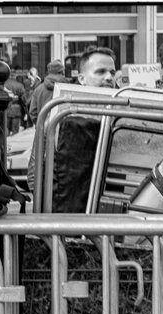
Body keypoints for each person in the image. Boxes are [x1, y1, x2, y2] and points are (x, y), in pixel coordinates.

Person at [34, 46, 118, 213]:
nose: (109, 77)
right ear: (81, 78)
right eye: (100, 71)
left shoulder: (123, 111)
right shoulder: (58, 112)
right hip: (69, 211)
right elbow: (36, 166)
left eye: (113, 72)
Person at [26, 59, 66, 124]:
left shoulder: (38, 89)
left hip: (43, 130)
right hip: (63, 130)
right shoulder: (68, 88)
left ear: (49, 72)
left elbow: (32, 112)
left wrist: (40, 126)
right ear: (62, 72)